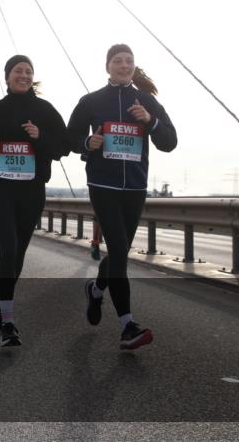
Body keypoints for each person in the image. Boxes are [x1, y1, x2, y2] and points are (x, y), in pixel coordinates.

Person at [67, 44, 177, 350]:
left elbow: (170, 141)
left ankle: (97, 289)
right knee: (117, 250)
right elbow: (70, 137)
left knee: (118, 254)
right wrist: (89, 142)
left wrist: (150, 122)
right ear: (108, 67)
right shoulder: (91, 101)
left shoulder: (146, 101)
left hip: (135, 188)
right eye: (118, 61)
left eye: (129, 61)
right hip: (103, 185)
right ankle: (128, 326)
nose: (124, 65)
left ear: (133, 66)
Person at [0, 54, 70, 346]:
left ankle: (2, 297)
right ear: (7, 76)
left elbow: (64, 146)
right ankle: (9, 322)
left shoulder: (45, 110)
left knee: (19, 256)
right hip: (0, 190)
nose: (24, 75)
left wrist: (40, 137)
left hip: (31, 190)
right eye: (18, 70)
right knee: (9, 248)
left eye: (28, 71)